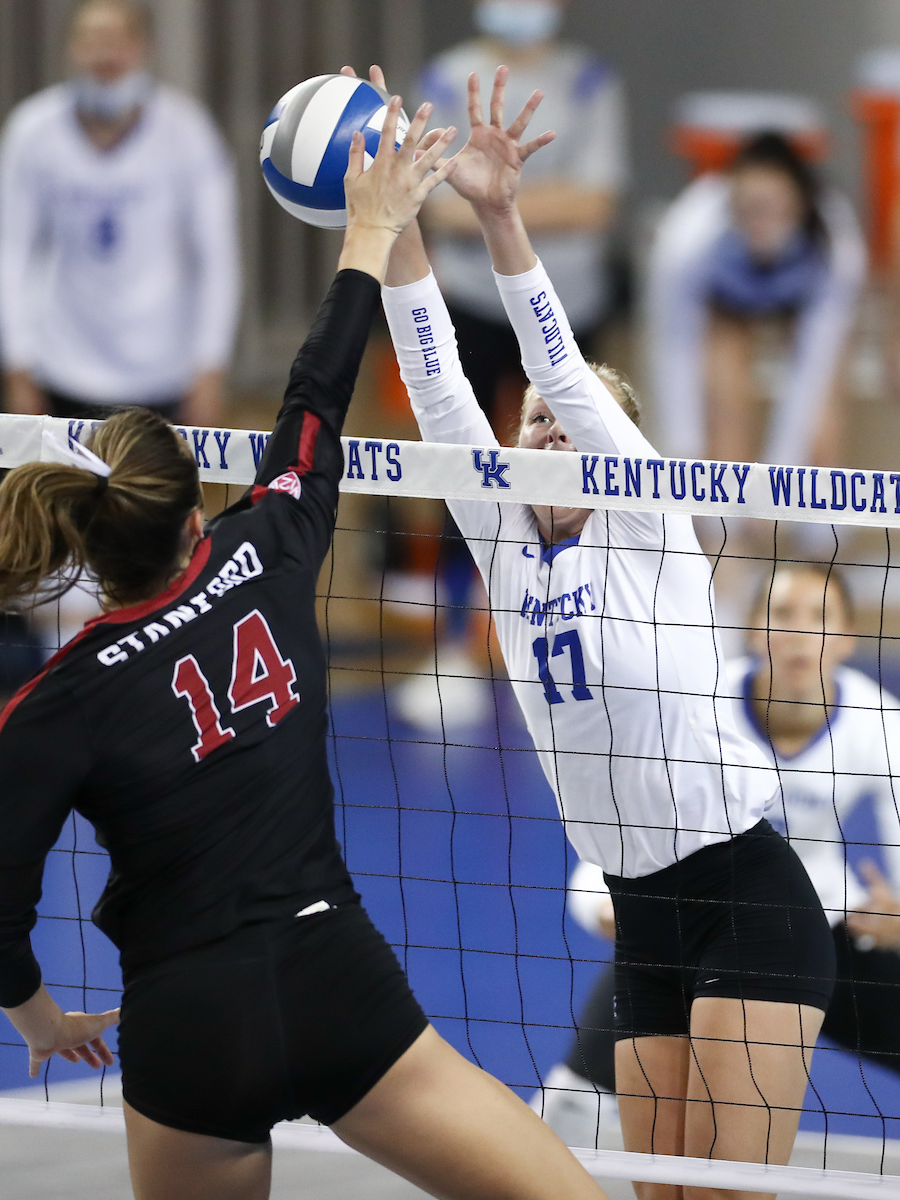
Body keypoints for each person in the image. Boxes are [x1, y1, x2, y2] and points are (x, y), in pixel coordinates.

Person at [0, 96, 606, 1200]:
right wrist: (369, 225)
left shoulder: (51, 707)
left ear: (87, 548)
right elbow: (317, 391)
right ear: (196, 516)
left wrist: (44, 1018)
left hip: (186, 1027)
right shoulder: (268, 547)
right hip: (332, 980)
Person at [383, 67, 836, 1196]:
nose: (539, 421)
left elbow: (565, 377)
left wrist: (500, 214)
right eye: (528, 415)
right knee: (657, 1195)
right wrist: (385, 219)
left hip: (745, 903)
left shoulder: (650, 526)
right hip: (645, 920)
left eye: (561, 412)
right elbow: (440, 395)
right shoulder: (503, 541)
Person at [540, 564, 900, 1146]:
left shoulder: (882, 723)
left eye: (823, 618)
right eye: (782, 615)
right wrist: (603, 906)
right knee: (569, 1110)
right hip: (703, 921)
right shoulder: (696, 706)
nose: (802, 634)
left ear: (851, 639)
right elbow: (624, 827)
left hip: (824, 926)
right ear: (755, 629)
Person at [0, 0, 239, 427]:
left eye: (118, 40)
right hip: (62, 368)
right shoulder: (31, 131)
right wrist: (15, 363)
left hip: (161, 370)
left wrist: (211, 365)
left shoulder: (188, 132)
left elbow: (217, 258)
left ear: (143, 49)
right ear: (70, 48)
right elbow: (11, 251)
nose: (106, 55)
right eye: (92, 40)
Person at [416, 0, 627, 426]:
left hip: (569, 302)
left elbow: (595, 206)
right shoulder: (446, 78)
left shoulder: (589, 80)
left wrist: (492, 198)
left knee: (576, 442)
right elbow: (436, 208)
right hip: (469, 299)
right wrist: (552, 201)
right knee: (460, 445)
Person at [647, 132, 865, 469]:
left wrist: (779, 473)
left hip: (799, 304)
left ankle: (815, 522)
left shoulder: (837, 246)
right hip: (727, 306)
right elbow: (674, 348)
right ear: (730, 200)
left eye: (774, 209)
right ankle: (726, 520)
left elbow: (814, 366)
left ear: (801, 204)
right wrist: (684, 453)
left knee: (823, 420)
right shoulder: (686, 239)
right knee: (722, 405)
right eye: (749, 209)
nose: (760, 224)